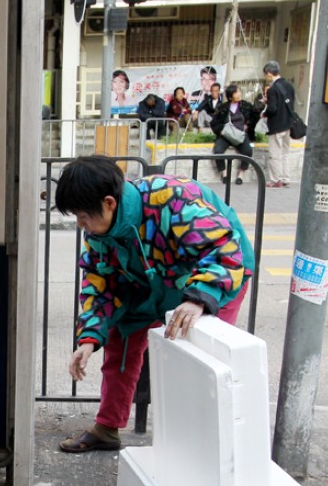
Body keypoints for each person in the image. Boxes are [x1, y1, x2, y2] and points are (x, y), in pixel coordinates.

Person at [54, 156, 254, 453]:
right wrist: (88, 339)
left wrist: (200, 298)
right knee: (120, 339)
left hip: (213, 276)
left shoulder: (173, 200)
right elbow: (98, 285)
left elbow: (224, 247)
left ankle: (205, 444)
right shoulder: (98, 234)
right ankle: (107, 428)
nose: (81, 225)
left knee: (201, 354)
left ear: (109, 202)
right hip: (146, 282)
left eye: (83, 216)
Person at [210, 84, 258, 185]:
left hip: (240, 135)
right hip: (226, 135)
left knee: (248, 151)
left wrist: (248, 126)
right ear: (230, 96)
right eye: (236, 92)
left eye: (239, 91)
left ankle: (241, 175)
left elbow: (254, 117)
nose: (239, 94)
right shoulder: (223, 107)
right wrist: (221, 130)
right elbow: (214, 123)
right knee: (218, 150)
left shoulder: (246, 106)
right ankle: (224, 174)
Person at [261, 61, 296, 188]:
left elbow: (272, 109)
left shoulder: (272, 89)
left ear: (269, 74)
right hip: (288, 124)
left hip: (276, 125)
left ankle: (275, 179)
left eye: (266, 75)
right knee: (285, 153)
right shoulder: (289, 86)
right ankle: (286, 178)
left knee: (274, 154)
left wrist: (264, 113)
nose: (266, 77)